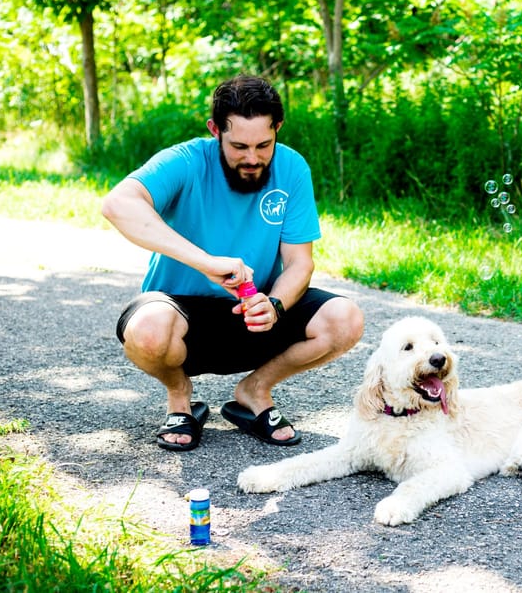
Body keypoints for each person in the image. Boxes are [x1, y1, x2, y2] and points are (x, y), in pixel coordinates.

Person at [103, 74, 365, 452]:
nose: (253, 158)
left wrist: (274, 305)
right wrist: (206, 262)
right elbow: (117, 204)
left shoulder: (292, 169)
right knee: (146, 330)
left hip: (255, 312)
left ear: (278, 128)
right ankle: (181, 399)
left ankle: (254, 392)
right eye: (239, 146)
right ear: (215, 131)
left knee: (346, 319)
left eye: (264, 144)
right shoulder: (186, 160)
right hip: (180, 314)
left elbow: (299, 264)